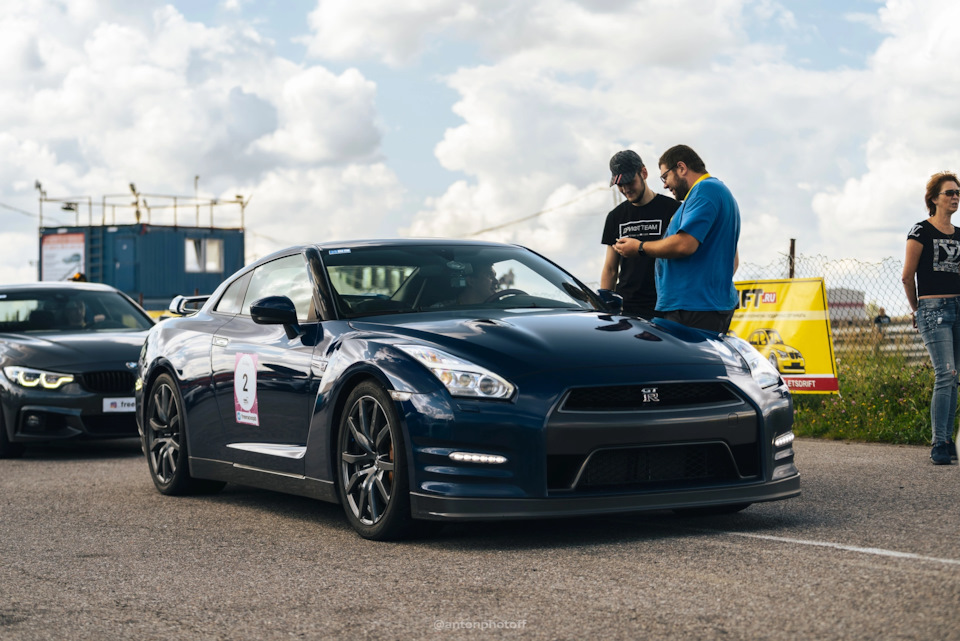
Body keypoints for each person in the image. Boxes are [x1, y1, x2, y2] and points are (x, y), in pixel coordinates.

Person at [613, 144, 739, 333]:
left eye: (665, 176)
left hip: (694, 308)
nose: (664, 185)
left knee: (689, 363)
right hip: (700, 306)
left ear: (681, 168)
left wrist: (640, 247)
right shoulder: (713, 192)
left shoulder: (705, 191)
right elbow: (733, 260)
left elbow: (684, 245)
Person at [901, 171, 960, 465]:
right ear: (934, 198)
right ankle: (938, 442)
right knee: (945, 373)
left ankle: (949, 441)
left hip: (959, 308)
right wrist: (917, 310)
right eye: (949, 192)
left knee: (955, 377)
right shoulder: (920, 231)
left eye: (957, 193)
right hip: (933, 309)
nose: (955, 197)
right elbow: (907, 276)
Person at [601, 150, 679, 318]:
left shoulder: (673, 210)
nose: (625, 189)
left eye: (630, 181)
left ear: (643, 173)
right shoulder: (615, 217)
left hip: (665, 306)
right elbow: (610, 268)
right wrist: (605, 305)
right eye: (620, 184)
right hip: (627, 308)